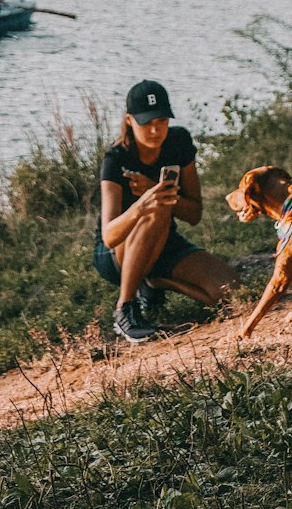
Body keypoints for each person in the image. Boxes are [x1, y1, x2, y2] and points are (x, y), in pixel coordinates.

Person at [93, 80, 238, 342]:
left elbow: (194, 214)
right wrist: (143, 204)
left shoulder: (179, 142)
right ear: (129, 120)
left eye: (161, 121)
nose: (155, 130)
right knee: (157, 207)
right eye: (146, 122)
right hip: (116, 254)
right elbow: (109, 236)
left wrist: (160, 192)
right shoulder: (116, 159)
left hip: (163, 241)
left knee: (232, 291)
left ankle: (155, 281)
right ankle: (125, 309)